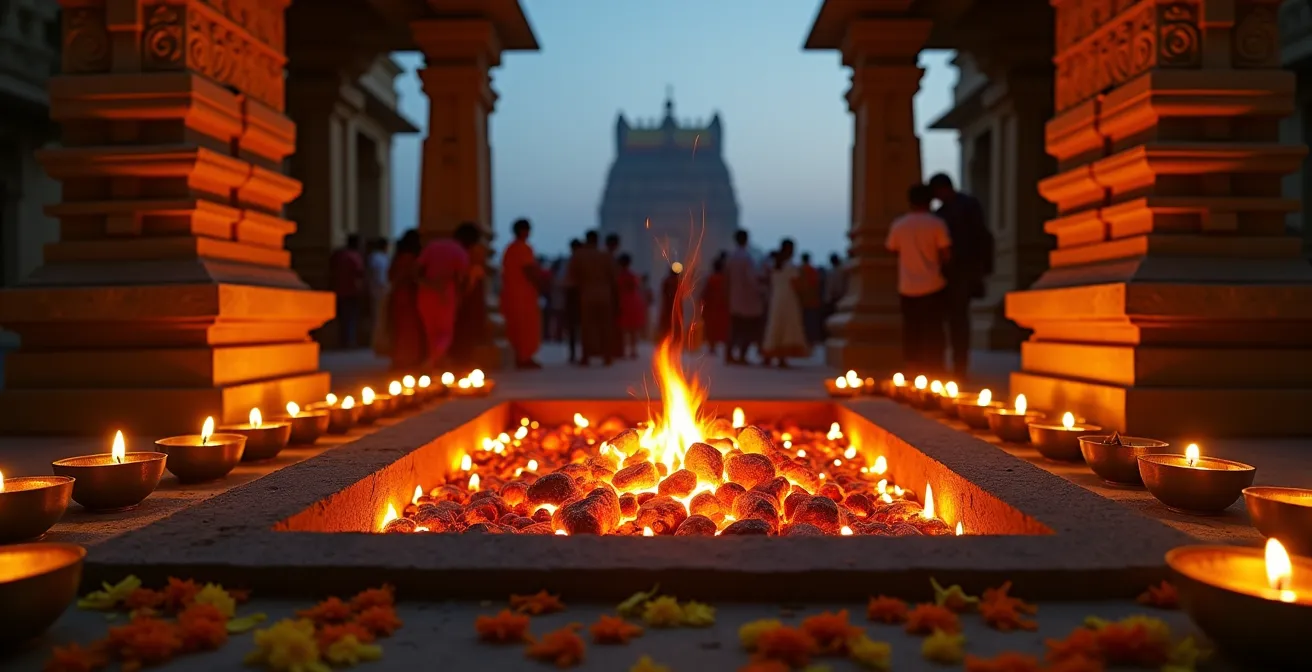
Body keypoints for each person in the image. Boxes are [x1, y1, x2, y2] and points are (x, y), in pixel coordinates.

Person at [929, 173, 993, 377]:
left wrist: (982, 267)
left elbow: (981, 236)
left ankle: (959, 365)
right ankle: (957, 365)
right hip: (953, 271)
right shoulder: (955, 209)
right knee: (955, 320)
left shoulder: (961, 208)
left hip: (962, 270)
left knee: (958, 320)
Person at [887, 183, 952, 374]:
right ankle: (935, 372)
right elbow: (946, 253)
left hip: (907, 286)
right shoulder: (936, 224)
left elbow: (892, 249)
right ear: (930, 201)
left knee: (911, 332)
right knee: (934, 333)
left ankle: (913, 371)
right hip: (933, 285)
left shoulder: (899, 225)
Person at [414, 223, 479, 370]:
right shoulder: (461, 253)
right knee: (445, 333)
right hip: (445, 294)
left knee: (431, 332)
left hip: (425, 292)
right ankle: (431, 361)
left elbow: (416, 270)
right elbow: (461, 279)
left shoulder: (433, 246)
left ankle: (435, 363)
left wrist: (426, 282)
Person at [566, 231, 618, 366]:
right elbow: (613, 277)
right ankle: (607, 356)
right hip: (604, 295)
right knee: (605, 326)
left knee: (587, 327)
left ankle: (586, 356)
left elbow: (572, 277)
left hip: (586, 294)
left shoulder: (579, 255)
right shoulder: (605, 256)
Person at [500, 218, 544, 369]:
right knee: (525, 328)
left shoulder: (509, 249)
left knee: (516, 328)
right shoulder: (523, 249)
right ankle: (524, 357)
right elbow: (529, 270)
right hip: (523, 295)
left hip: (511, 295)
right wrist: (540, 285)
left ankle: (520, 356)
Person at [760, 239, 808, 367]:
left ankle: (769, 355)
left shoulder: (774, 265)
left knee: (774, 325)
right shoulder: (790, 266)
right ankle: (781, 357)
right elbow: (796, 284)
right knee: (786, 326)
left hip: (776, 297)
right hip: (788, 298)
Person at [724, 229, 765, 365]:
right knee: (747, 328)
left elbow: (727, 277)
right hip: (748, 299)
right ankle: (742, 355)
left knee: (735, 328)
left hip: (735, 298)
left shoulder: (731, 257)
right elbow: (751, 279)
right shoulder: (747, 258)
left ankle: (729, 353)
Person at [387, 230, 424, 370]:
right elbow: (415, 277)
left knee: (399, 329)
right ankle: (409, 359)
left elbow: (390, 275)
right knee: (410, 329)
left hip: (397, 294)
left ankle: (399, 358)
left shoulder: (398, 258)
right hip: (410, 295)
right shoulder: (413, 259)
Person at [328, 234, 365, 348]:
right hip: (352, 291)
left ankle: (343, 341)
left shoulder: (339, 255)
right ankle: (349, 341)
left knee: (342, 318)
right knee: (351, 318)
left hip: (339, 289)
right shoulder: (355, 257)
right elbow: (360, 273)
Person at [699, 255, 730, 354]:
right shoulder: (724, 280)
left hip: (711, 307)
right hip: (721, 307)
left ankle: (712, 345)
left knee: (711, 327)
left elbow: (705, 293)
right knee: (719, 326)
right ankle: (716, 345)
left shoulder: (711, 279)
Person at [616, 253, 645, 358]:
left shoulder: (619, 276)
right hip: (633, 302)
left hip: (623, 302)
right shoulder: (632, 275)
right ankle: (632, 350)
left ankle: (623, 351)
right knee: (632, 328)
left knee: (624, 328)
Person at [366, 237, 390, 354]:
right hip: (380, 291)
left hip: (378, 291)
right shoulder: (379, 258)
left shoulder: (376, 258)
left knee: (379, 319)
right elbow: (379, 277)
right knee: (378, 319)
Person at [603, 233, 624, 358]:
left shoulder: (604, 257)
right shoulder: (610, 259)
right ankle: (611, 351)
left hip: (607, 293)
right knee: (611, 324)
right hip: (610, 294)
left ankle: (610, 351)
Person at [562, 239, 583, 362]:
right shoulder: (573, 261)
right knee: (576, 327)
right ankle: (578, 354)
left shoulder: (570, 261)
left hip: (573, 295)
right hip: (577, 295)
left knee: (573, 327)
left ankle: (574, 354)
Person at [798, 252, 824, 347]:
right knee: (811, 323)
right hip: (811, 301)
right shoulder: (812, 271)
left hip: (803, 301)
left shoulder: (800, 270)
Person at [658, 264, 681, 341]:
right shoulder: (679, 281)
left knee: (667, 328)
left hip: (668, 307)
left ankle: (666, 343)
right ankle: (674, 344)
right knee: (675, 327)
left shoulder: (667, 281)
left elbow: (663, 293)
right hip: (676, 308)